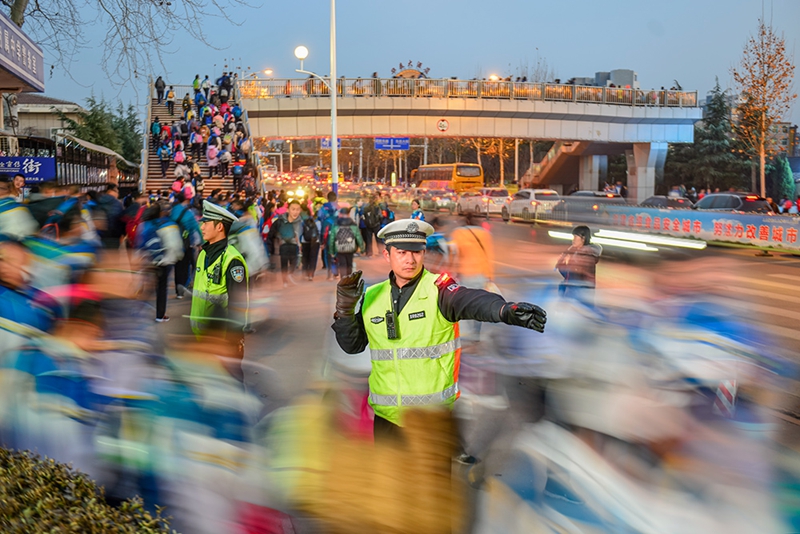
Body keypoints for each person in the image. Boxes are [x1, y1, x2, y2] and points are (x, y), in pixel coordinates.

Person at [332, 219, 547, 440]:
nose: (410, 260)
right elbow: (352, 346)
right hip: (387, 422)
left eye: (417, 252)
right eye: (402, 252)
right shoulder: (371, 296)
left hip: (433, 421)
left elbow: (471, 300)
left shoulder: (440, 290)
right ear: (387, 255)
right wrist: (345, 311)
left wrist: (504, 310)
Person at [191, 201, 249, 356]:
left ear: (220, 227)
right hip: (201, 336)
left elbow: (238, 304)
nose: (201, 227)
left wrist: (233, 340)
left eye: (206, 223)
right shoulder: (203, 254)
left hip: (222, 340)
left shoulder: (232, 261)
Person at [555, 225, 602, 295]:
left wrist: (562, 264)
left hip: (581, 295)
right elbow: (568, 275)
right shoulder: (576, 253)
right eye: (573, 237)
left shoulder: (586, 256)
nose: (573, 240)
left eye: (575, 237)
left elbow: (575, 276)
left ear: (583, 238)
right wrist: (562, 261)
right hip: (574, 293)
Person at [171, 192, 202, 298]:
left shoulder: (172, 210)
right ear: (186, 200)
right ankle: (182, 289)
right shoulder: (188, 213)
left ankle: (177, 290)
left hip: (173, 242)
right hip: (186, 243)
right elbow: (196, 228)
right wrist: (201, 241)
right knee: (185, 267)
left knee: (177, 268)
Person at [268, 199, 303, 287]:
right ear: (288, 210)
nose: (295, 212)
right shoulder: (280, 220)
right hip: (283, 245)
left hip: (294, 245)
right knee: (284, 264)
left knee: (294, 263)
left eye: (297, 209)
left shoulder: (300, 222)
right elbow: (272, 232)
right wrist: (277, 237)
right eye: (293, 209)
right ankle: (285, 282)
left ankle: (290, 275)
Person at [328, 207, 364, 278]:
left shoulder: (336, 224)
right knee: (349, 264)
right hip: (351, 248)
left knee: (342, 264)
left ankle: (343, 279)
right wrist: (362, 248)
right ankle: (349, 279)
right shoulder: (353, 224)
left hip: (339, 248)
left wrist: (331, 251)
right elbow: (358, 237)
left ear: (340, 214)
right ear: (348, 214)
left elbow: (332, 238)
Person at [301, 210, 321, 281]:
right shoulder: (318, 222)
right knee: (313, 258)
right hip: (315, 242)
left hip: (305, 241)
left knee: (305, 257)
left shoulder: (303, 222)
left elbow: (301, 232)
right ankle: (311, 275)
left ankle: (305, 273)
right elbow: (320, 233)